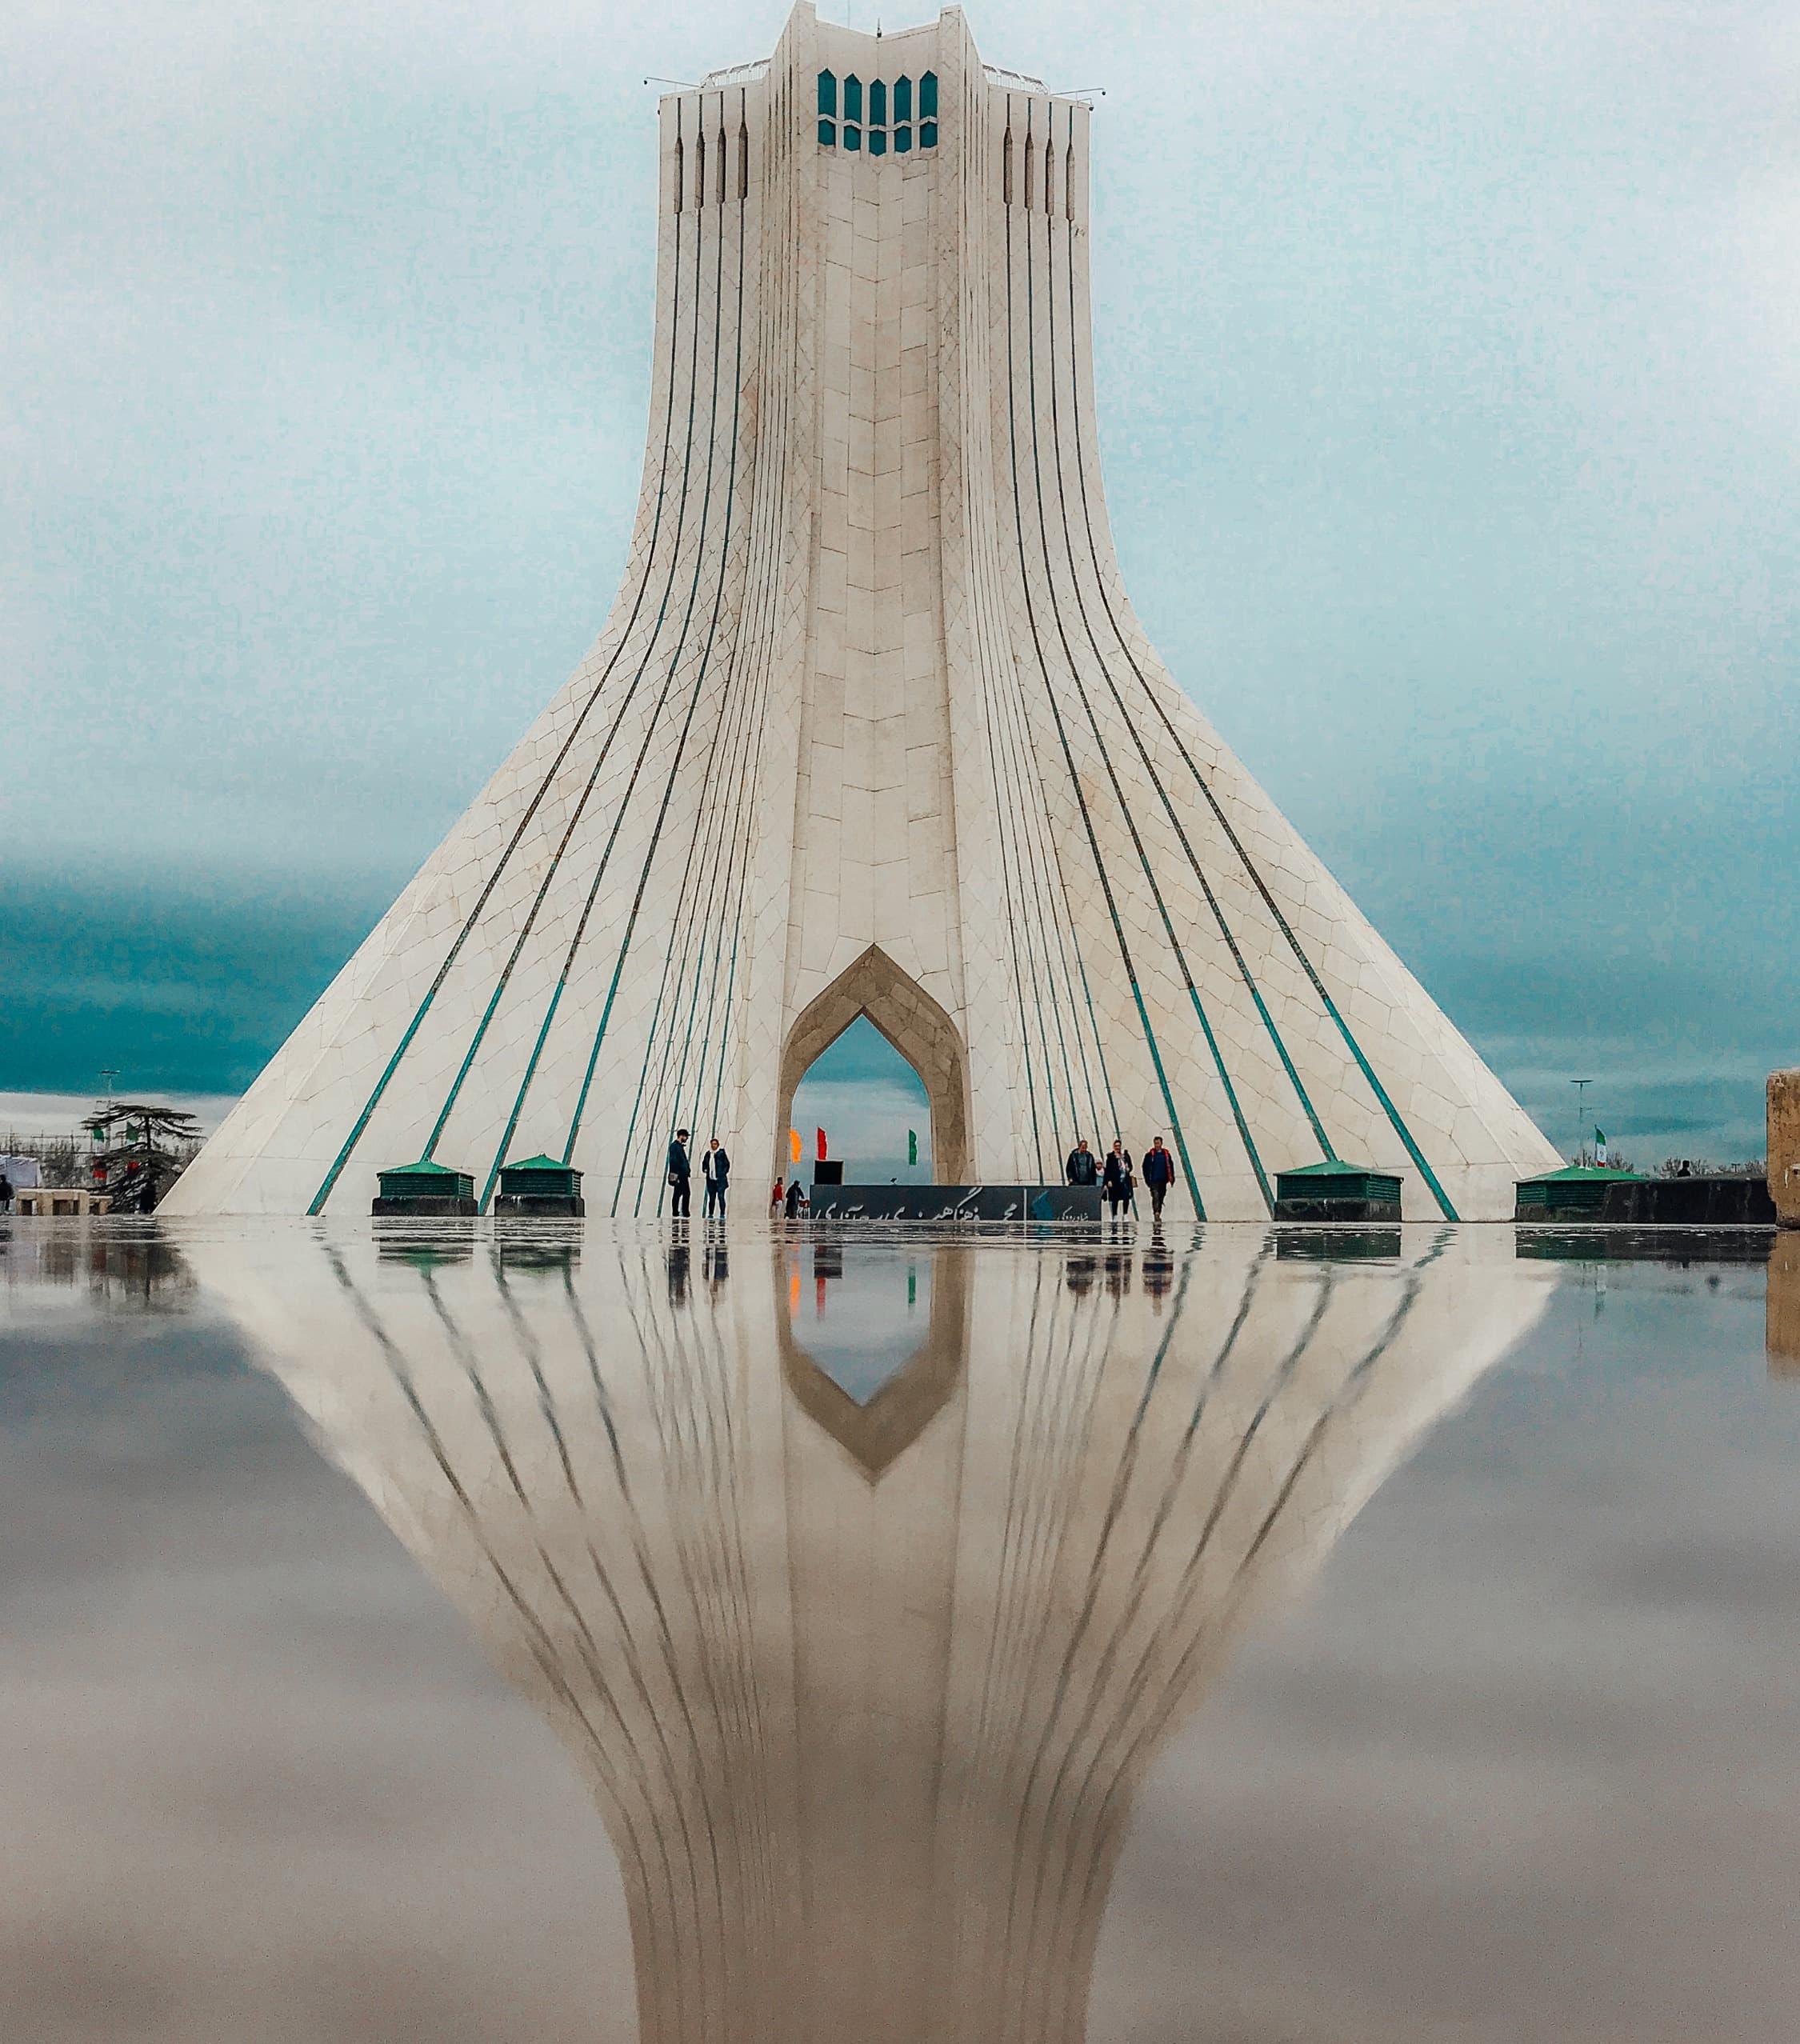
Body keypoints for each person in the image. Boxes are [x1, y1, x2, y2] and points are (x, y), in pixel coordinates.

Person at [1142, 1136, 1174, 1219]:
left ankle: (1158, 1211)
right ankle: (1156, 1212)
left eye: (1158, 1143)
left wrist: (1171, 1178)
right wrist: (1147, 1179)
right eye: (1155, 1143)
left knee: (1161, 1196)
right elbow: (1145, 1167)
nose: (1157, 1145)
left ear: (1161, 1143)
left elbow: (1171, 1166)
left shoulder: (1166, 1155)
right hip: (1153, 1180)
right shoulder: (1150, 1155)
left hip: (1163, 1180)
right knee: (1155, 1195)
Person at [1102, 1138, 1134, 1218]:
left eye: (1119, 1146)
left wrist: (1129, 1168)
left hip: (1124, 1179)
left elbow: (1130, 1165)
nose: (1117, 1148)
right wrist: (1108, 1180)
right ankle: (1115, 1215)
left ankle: (1125, 1214)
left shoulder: (1125, 1156)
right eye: (1116, 1146)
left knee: (1126, 1196)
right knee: (1115, 1198)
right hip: (1115, 1180)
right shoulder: (1111, 1157)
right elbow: (1108, 1170)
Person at [702, 1136, 731, 1219]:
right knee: (712, 1198)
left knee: (721, 1197)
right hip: (711, 1179)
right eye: (712, 1144)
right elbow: (704, 1163)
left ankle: (722, 1214)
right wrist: (705, 1169)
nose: (713, 1146)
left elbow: (727, 1165)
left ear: (718, 1145)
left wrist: (722, 1173)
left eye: (715, 1144)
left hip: (720, 1180)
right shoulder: (708, 1154)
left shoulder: (721, 1154)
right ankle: (711, 1213)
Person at [666, 1128, 692, 1218]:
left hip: (682, 1174)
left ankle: (678, 1212)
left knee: (679, 1193)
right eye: (686, 1137)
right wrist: (681, 1170)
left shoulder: (678, 1146)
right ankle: (683, 1212)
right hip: (680, 1174)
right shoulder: (675, 1146)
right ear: (682, 1136)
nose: (687, 1139)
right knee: (685, 1193)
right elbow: (674, 1160)